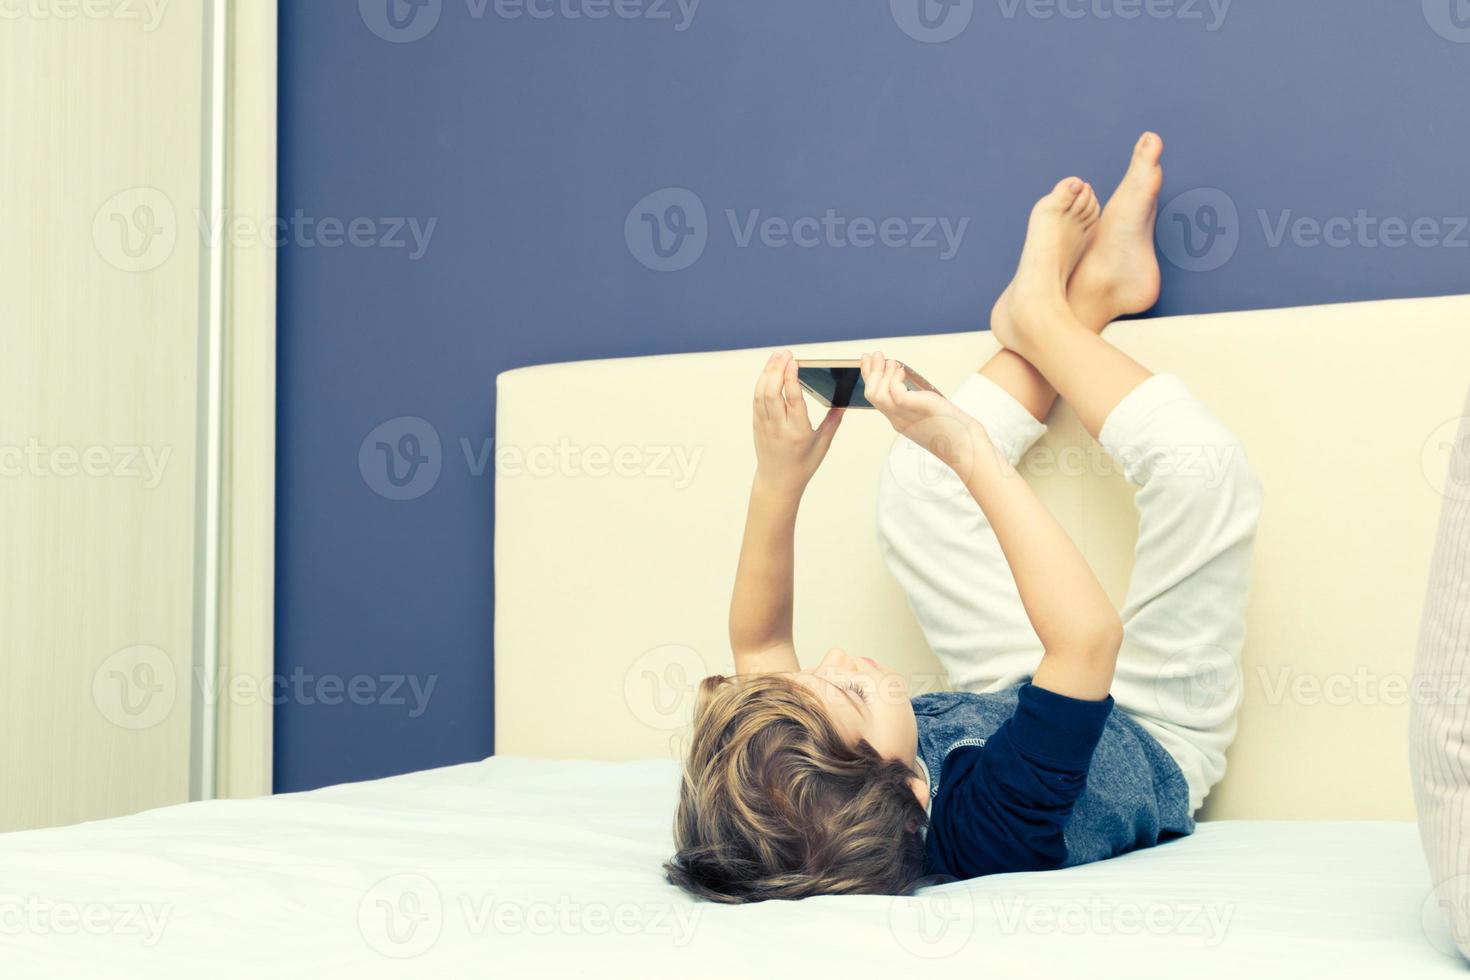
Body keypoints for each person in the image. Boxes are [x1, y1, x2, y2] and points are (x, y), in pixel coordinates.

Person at [666, 133, 1263, 903]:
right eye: (847, 693)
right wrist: (968, 448)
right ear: (913, 798)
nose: (838, 658)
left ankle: (1085, 302)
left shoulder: (804, 780)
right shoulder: (988, 829)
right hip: (1154, 731)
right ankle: (1045, 319)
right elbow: (1086, 642)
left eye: (819, 675)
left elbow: (760, 642)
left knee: (916, 485)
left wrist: (778, 480)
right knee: (1202, 468)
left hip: (1011, 692)